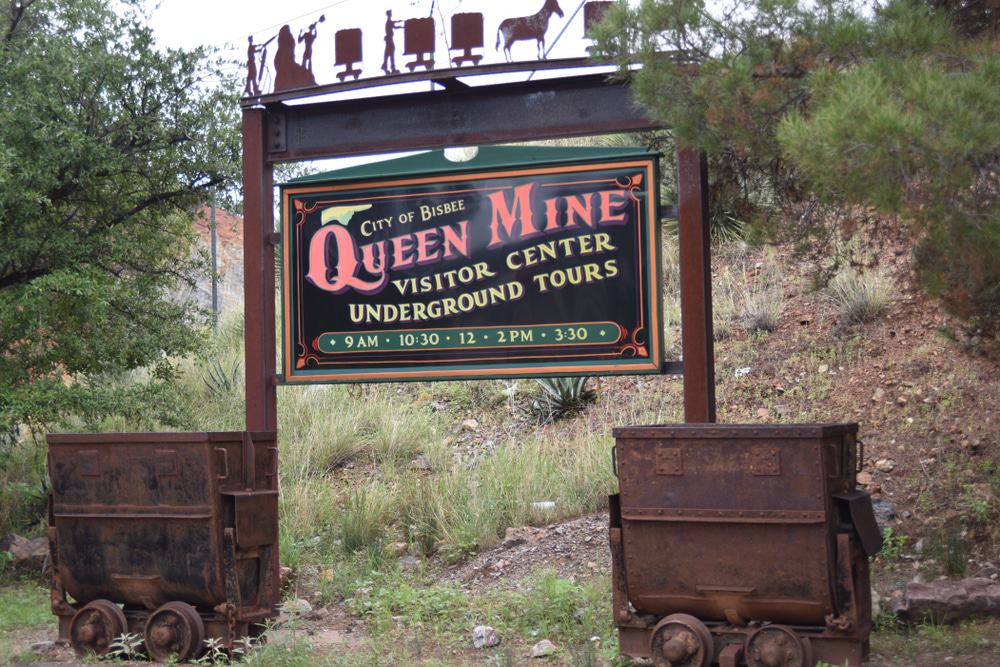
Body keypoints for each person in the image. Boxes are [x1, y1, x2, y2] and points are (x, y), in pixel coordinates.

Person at [381, 10, 403, 75]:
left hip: (389, 39)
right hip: (389, 39)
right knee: (391, 52)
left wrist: (401, 24)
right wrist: (402, 26)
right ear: (388, 14)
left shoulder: (389, 22)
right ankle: (391, 67)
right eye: (390, 14)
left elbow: (394, 24)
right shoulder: (388, 22)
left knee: (389, 52)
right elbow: (394, 25)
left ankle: (386, 66)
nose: (391, 15)